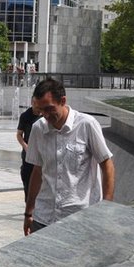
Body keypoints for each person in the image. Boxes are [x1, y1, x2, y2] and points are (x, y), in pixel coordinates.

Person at [24, 78, 115, 235]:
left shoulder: (86, 124)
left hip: (80, 217)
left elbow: (107, 165)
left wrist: (106, 207)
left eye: (49, 109)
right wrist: (29, 211)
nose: (45, 115)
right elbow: (37, 171)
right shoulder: (38, 129)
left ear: (63, 101)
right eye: (41, 110)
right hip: (44, 216)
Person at [16, 95, 41, 204]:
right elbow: (19, 134)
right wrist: (25, 146)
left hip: (41, 153)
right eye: (34, 103)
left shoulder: (45, 115)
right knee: (27, 178)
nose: (36, 105)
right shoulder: (25, 116)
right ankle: (29, 204)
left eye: (38, 103)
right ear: (31, 102)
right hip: (28, 154)